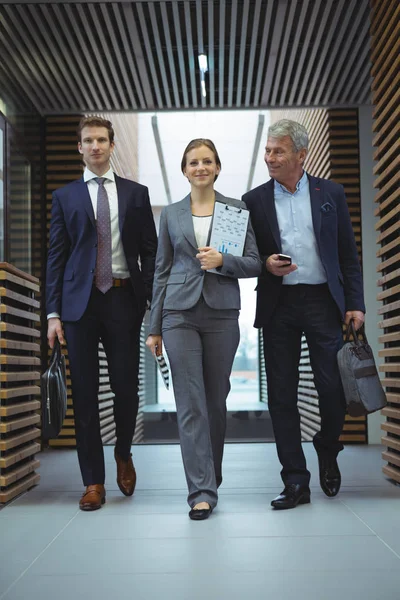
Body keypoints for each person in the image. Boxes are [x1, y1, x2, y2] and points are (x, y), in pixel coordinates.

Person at [243, 119, 365, 510]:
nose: (270, 158)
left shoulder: (331, 193)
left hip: (321, 302)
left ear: (301, 154)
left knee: (333, 387)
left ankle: (327, 446)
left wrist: (355, 303)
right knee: (281, 395)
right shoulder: (254, 199)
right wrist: (265, 263)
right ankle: (295, 480)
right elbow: (247, 255)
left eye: (278, 151)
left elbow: (347, 253)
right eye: (267, 151)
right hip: (278, 305)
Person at [46, 116, 157, 511]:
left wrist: (149, 299)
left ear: (111, 145)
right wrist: (53, 314)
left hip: (123, 299)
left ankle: (123, 451)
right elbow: (56, 258)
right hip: (78, 305)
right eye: (87, 140)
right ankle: (93, 481)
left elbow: (150, 250)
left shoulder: (136, 194)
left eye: (101, 140)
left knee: (125, 387)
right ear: (80, 147)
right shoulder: (65, 197)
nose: (94, 146)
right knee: (85, 394)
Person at [146, 139, 261, 520]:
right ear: (184, 169)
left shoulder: (234, 209)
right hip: (179, 313)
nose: (200, 167)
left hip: (222, 314)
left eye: (207, 161)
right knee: (190, 402)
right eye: (193, 162)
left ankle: (210, 471)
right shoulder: (172, 214)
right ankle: (200, 490)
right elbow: (161, 270)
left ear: (217, 167)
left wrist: (223, 259)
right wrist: (154, 326)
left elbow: (254, 263)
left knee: (214, 401)